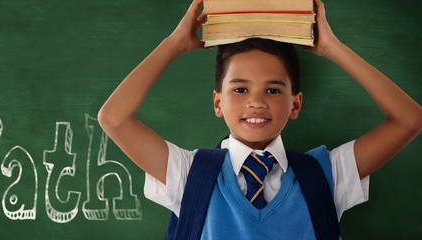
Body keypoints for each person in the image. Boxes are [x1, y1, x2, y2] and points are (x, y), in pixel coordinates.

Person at [98, 0, 422, 238]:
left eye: (272, 90)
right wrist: (175, 44)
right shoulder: (189, 175)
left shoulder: (325, 176)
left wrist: (333, 48)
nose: (255, 101)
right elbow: (114, 119)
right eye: (239, 89)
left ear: (295, 105)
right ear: (217, 102)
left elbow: (409, 120)